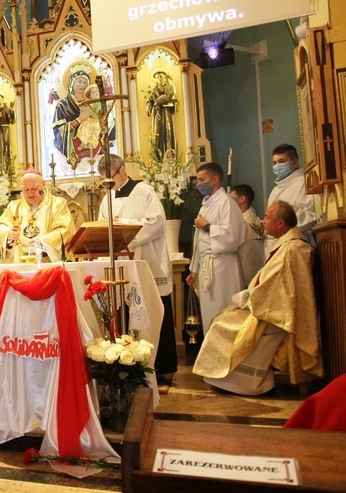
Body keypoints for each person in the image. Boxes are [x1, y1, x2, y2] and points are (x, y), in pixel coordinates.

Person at [192, 200, 323, 396]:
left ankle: (240, 382)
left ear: (280, 223)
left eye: (268, 217)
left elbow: (279, 289)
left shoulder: (293, 249)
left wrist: (246, 298)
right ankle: (224, 379)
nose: (263, 220)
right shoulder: (286, 245)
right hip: (269, 307)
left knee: (221, 325)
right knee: (221, 319)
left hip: (275, 314)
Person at [96, 154, 178, 375]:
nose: (108, 184)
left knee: (153, 308)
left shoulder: (145, 192)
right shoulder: (107, 198)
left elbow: (156, 224)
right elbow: (103, 227)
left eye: (110, 178)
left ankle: (161, 365)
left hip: (147, 261)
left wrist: (126, 230)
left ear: (122, 170)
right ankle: (128, 363)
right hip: (120, 263)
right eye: (103, 180)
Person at [186, 162, 246, 335]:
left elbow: (233, 236)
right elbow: (199, 241)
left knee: (224, 313)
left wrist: (207, 227)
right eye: (197, 180)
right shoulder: (206, 204)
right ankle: (212, 355)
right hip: (207, 265)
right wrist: (194, 269)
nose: (198, 184)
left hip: (222, 266)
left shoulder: (226, 202)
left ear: (215, 179)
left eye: (202, 180)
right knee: (210, 314)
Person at [0, 169, 75, 263]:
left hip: (47, 264)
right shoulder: (14, 207)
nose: (30, 193)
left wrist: (43, 243)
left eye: (34, 188)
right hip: (20, 265)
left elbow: (64, 230)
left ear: (43, 185)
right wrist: (8, 236)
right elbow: (0, 227)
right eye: (26, 189)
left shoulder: (57, 204)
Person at [264, 143, 317, 253]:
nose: (277, 166)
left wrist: (283, 225)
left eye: (282, 162)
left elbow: (313, 215)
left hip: (297, 244)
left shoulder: (303, 183)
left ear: (295, 163)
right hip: (278, 243)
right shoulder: (275, 190)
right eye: (274, 163)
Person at [51, 70, 98, 162]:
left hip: (93, 147)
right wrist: (79, 119)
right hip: (73, 150)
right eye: (79, 81)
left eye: (85, 82)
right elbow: (58, 131)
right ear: (72, 84)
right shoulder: (63, 105)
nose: (82, 85)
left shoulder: (94, 103)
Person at [229, 184, 265, 288]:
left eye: (232, 198)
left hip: (246, 272)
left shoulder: (245, 223)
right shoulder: (253, 218)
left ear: (242, 199)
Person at [146, 70, 177, 155]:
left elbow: (170, 97)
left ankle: (170, 155)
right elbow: (150, 101)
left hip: (167, 112)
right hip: (158, 112)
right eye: (157, 77)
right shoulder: (154, 90)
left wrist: (159, 100)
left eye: (161, 76)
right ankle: (158, 157)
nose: (159, 78)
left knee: (168, 131)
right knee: (157, 132)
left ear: (164, 77)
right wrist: (149, 105)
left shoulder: (170, 87)